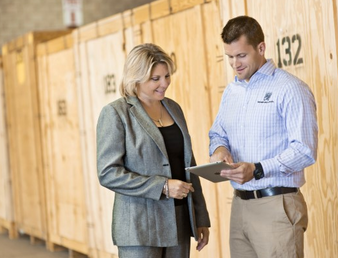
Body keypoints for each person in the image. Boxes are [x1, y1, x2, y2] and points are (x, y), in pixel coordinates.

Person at [209, 16, 318, 258]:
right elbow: (218, 133)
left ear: (261, 48)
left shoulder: (290, 88)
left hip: (276, 206)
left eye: (241, 55)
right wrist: (219, 149)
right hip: (239, 207)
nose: (234, 64)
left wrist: (257, 169)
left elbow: (305, 150)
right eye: (229, 56)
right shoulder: (232, 91)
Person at [97, 43, 210, 258]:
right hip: (140, 227)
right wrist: (163, 187)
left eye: (167, 76)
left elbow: (189, 165)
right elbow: (108, 173)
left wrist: (200, 218)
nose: (164, 84)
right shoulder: (115, 114)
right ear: (136, 78)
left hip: (180, 220)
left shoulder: (173, 108)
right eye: (155, 79)